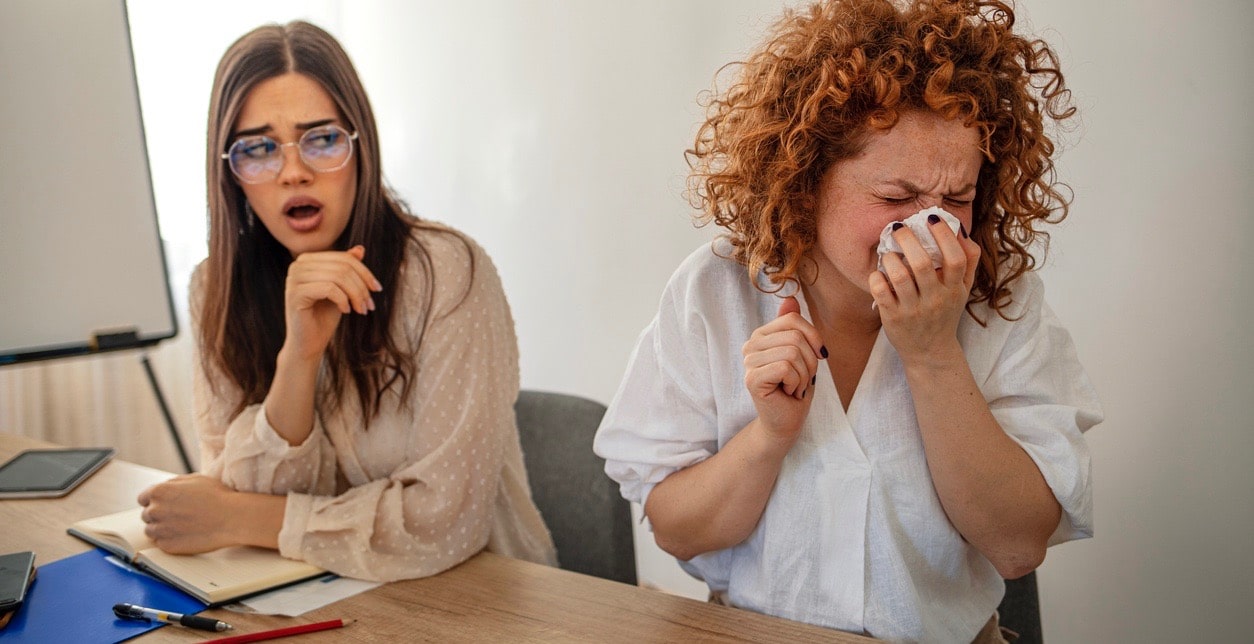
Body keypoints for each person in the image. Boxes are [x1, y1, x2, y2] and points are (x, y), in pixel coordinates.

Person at [593, 0, 1101, 641]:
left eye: (958, 198)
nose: (929, 227)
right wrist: (769, 437)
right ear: (804, 181)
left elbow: (1020, 545)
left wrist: (931, 353)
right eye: (894, 197)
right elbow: (676, 529)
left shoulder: (1004, 300)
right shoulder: (713, 291)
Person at [136, 21, 555, 582]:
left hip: (479, 598)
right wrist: (299, 359)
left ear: (362, 147)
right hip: (311, 599)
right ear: (230, 174)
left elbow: (444, 523)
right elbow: (239, 488)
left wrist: (239, 518)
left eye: (322, 138)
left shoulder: (449, 272)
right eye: (258, 148)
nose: (293, 171)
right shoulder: (214, 287)